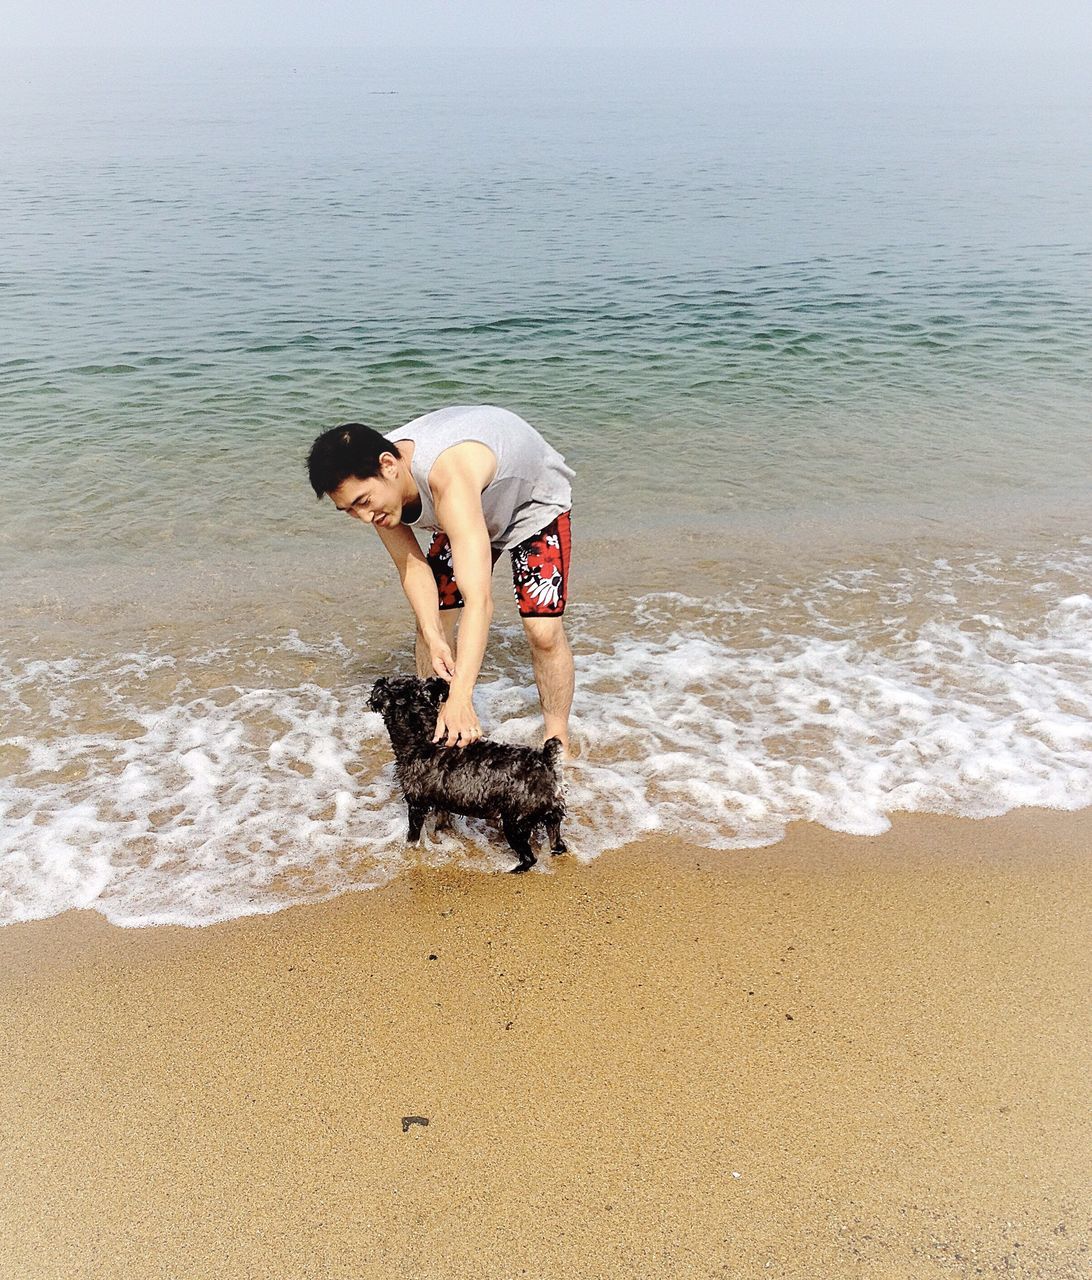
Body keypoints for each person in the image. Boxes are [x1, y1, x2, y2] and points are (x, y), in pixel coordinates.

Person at [307, 405, 575, 753]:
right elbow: (412, 568)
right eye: (349, 511)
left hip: (531, 503)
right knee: (432, 623)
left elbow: (479, 601)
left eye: (363, 502)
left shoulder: (447, 478)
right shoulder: (378, 495)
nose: (363, 517)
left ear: (388, 465)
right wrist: (434, 637)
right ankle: (440, 735)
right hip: (467, 513)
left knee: (542, 632)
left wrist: (463, 694)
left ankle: (558, 744)